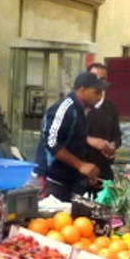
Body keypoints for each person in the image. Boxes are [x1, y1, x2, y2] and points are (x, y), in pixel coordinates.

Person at [34, 71, 107, 201]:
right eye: (96, 92)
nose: (99, 97)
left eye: (101, 93)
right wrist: (80, 165)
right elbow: (52, 142)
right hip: (52, 179)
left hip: (68, 180)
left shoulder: (81, 110)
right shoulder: (64, 108)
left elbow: (74, 143)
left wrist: (86, 172)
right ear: (82, 90)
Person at [82, 62, 121, 186]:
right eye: (94, 78)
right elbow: (65, 139)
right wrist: (90, 140)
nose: (98, 83)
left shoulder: (110, 107)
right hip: (81, 170)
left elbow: (117, 135)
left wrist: (112, 146)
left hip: (103, 171)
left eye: (102, 79)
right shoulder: (79, 107)